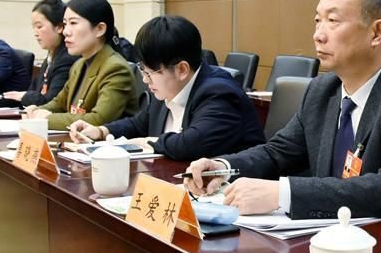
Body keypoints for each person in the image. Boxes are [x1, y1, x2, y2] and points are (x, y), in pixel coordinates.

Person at [185, 0, 381, 232]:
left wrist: (282, 193)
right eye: (318, 21)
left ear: (376, 33)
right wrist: (222, 167)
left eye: (333, 21)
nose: (318, 34)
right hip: (334, 236)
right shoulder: (322, 90)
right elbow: (278, 153)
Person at [68, 15, 265, 162]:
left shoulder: (219, 93)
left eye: (150, 72)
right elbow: (139, 124)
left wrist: (146, 143)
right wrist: (101, 131)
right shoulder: (168, 87)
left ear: (181, 69)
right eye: (143, 70)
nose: (145, 79)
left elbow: (189, 144)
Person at [24, 0, 135, 130]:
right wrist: (38, 110)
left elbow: (98, 119)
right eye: (65, 24)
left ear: (100, 29)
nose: (65, 31)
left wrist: (46, 119)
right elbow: (59, 103)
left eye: (73, 23)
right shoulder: (79, 64)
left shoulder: (115, 68)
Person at [0, 0, 78, 109]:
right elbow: (28, 95)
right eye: (34, 27)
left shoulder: (66, 59)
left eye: (39, 26)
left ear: (59, 27)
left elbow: (49, 102)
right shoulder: (51, 57)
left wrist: (24, 96)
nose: (35, 33)